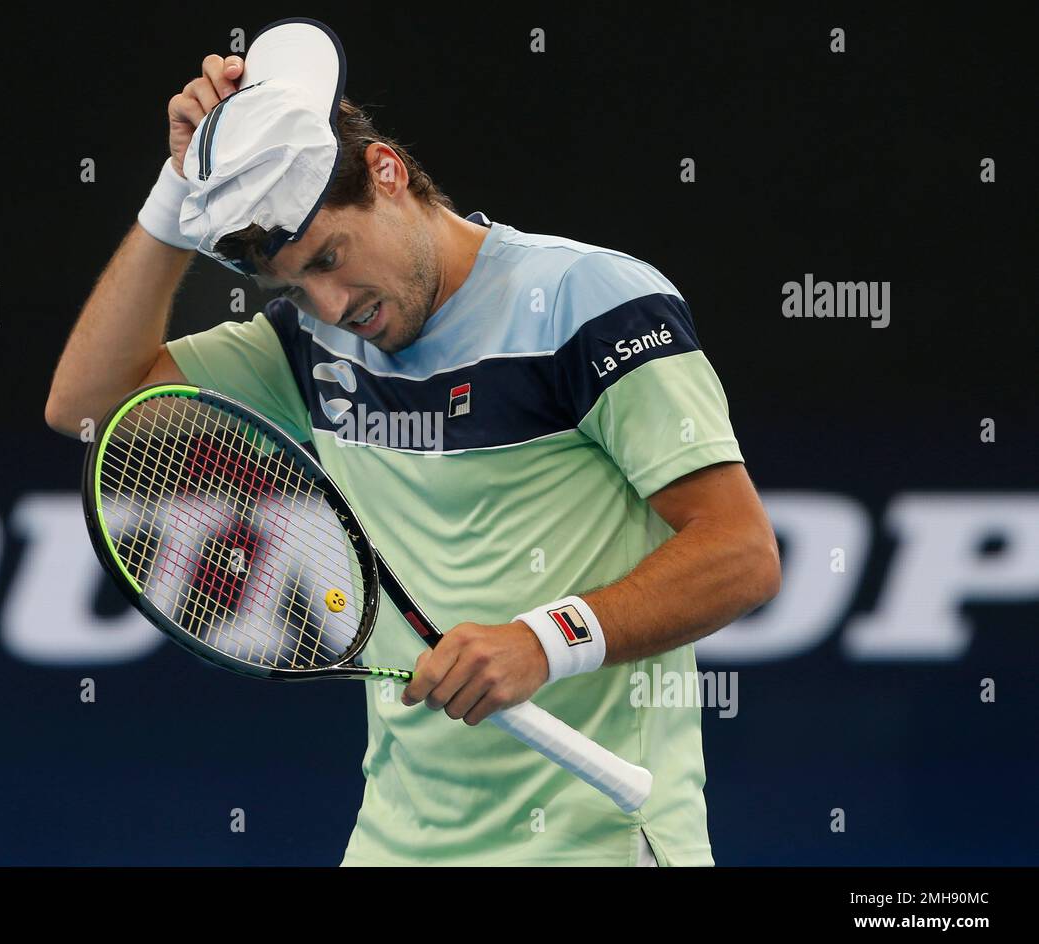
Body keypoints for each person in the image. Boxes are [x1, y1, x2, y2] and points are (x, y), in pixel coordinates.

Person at [46, 18, 780, 866]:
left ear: (388, 174)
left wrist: (546, 639)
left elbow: (740, 551)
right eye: (292, 285)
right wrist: (177, 194)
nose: (328, 306)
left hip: (600, 846)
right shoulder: (309, 348)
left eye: (331, 257)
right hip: (396, 848)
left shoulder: (591, 300)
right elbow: (87, 405)